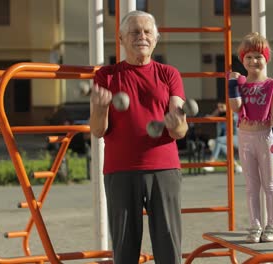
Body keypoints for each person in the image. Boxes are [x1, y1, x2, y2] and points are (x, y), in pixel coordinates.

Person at [89, 10, 187, 263]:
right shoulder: (106, 76)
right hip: (120, 170)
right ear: (121, 38)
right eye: (134, 32)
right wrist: (100, 107)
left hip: (164, 168)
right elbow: (98, 130)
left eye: (147, 32)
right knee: (124, 251)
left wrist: (175, 121)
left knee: (169, 249)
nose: (141, 36)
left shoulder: (169, 74)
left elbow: (180, 131)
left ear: (156, 38)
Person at [228, 32, 273, 243]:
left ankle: (272, 226)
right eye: (249, 56)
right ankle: (255, 226)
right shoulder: (241, 84)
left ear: (266, 58)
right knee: (251, 185)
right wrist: (232, 84)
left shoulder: (272, 85)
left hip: (266, 137)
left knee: (270, 183)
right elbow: (236, 107)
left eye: (258, 56)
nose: (254, 60)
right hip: (245, 136)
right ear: (242, 59)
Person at [203, 102, 242, 173]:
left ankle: (212, 162)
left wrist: (227, 108)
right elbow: (208, 117)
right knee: (221, 146)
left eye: (221, 107)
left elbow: (234, 116)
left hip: (237, 138)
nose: (220, 109)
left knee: (218, 140)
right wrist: (216, 112)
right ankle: (236, 166)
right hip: (226, 139)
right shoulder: (221, 120)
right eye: (218, 108)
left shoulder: (233, 115)